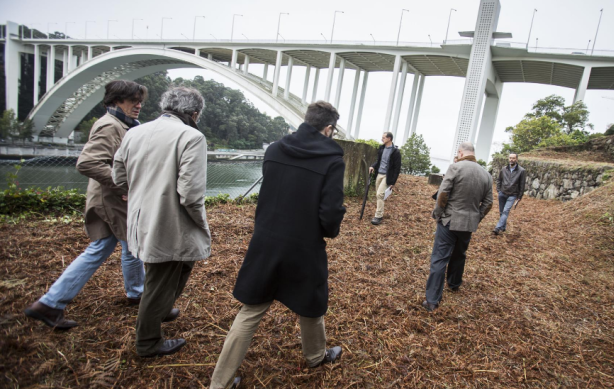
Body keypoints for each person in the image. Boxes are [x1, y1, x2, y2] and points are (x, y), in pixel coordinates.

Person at [209, 101, 346, 389]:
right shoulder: (332, 160)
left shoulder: (274, 150)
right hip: (305, 244)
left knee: (251, 309)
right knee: (311, 303)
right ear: (329, 128)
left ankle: (219, 383)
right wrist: (328, 231)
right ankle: (315, 356)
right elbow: (331, 212)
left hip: (266, 239)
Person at [23, 80, 153, 330]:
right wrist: (126, 184)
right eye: (133, 100)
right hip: (111, 201)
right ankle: (137, 295)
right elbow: (87, 163)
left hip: (111, 199)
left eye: (140, 101)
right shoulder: (109, 125)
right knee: (129, 246)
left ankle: (51, 303)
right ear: (116, 100)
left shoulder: (120, 124)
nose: (138, 105)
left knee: (111, 248)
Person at [112, 86, 211, 358]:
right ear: (193, 113)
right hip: (170, 221)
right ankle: (148, 341)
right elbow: (191, 194)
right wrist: (201, 225)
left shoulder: (134, 132)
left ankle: (163, 308)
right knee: (161, 278)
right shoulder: (191, 136)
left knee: (175, 267)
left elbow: (118, 177)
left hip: (140, 218)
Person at [423, 142, 493, 312]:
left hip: (449, 220)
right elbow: (489, 202)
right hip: (468, 224)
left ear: (460, 153)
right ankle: (454, 283)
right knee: (460, 253)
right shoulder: (486, 175)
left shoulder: (455, 168)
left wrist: (438, 213)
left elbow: (442, 194)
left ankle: (432, 300)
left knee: (440, 258)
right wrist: (476, 217)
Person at [368, 132, 401, 225]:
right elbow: (379, 161)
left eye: (383, 138)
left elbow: (397, 168)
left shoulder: (395, 152)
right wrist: (372, 166)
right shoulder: (381, 148)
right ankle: (379, 212)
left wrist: (393, 182)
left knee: (380, 194)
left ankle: (378, 216)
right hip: (379, 174)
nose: (382, 139)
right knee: (378, 195)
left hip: (387, 176)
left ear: (389, 138)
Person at [493, 153, 526, 235]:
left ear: (516, 159)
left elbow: (522, 184)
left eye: (513, 158)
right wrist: (498, 190)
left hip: (512, 194)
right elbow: (499, 180)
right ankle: (503, 227)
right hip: (502, 193)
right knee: (501, 212)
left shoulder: (521, 171)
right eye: (510, 158)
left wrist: (519, 196)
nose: (511, 159)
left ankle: (497, 228)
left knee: (505, 211)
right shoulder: (504, 169)